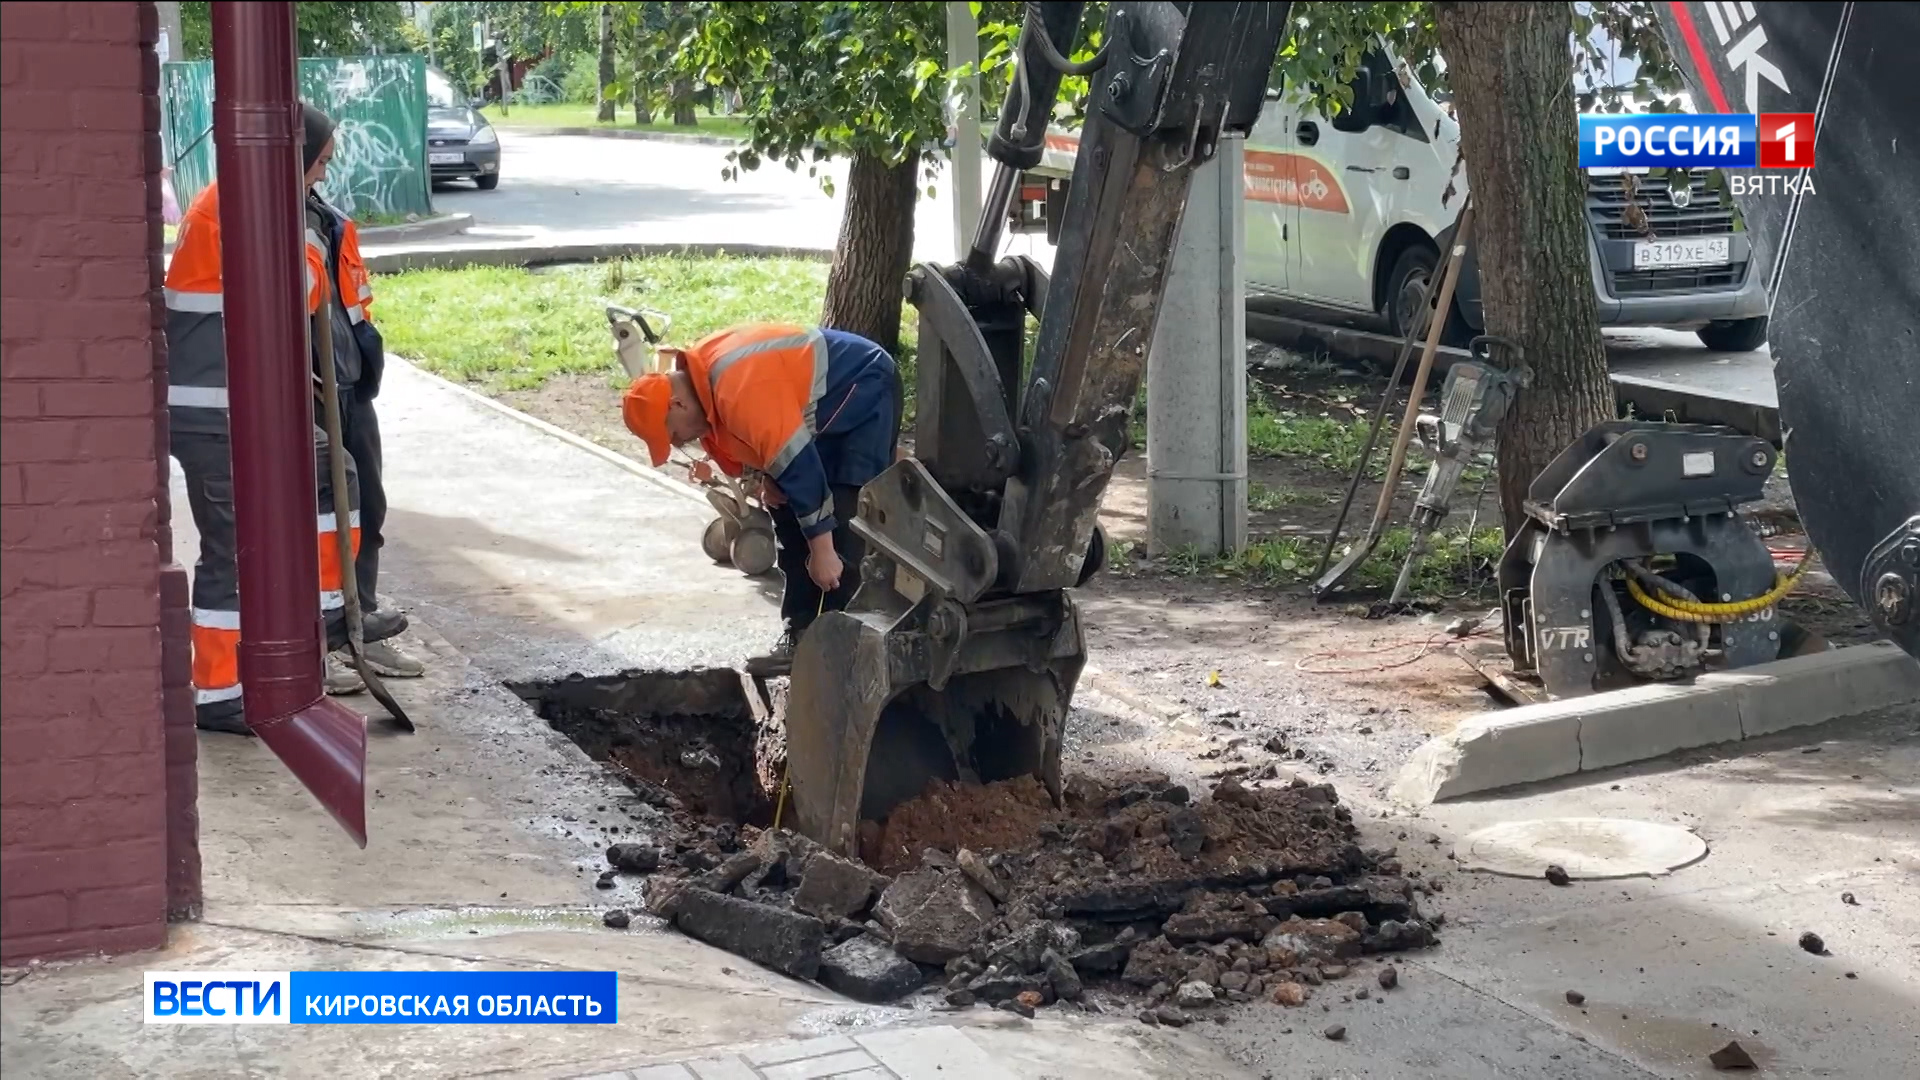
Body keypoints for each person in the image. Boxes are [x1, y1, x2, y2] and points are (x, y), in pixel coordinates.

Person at [165, 103, 406, 733]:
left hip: (231, 405)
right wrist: (308, 244)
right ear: (289, 159)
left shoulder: (239, 202)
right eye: (317, 163)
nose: (322, 176)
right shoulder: (244, 210)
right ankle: (221, 691)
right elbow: (290, 294)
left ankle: (327, 608)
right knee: (232, 553)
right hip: (217, 411)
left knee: (335, 475)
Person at [620, 324, 901, 670]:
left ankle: (842, 651)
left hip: (861, 381)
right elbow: (770, 441)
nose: (679, 443)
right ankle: (799, 633)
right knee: (784, 502)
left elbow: (799, 465)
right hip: (810, 404)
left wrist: (823, 551)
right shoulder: (706, 393)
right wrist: (768, 477)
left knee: (845, 515)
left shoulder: (736, 389)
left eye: (673, 434)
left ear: (677, 404)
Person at [301, 109, 430, 688]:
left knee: (366, 510)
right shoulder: (277, 221)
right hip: (311, 390)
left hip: (349, 384)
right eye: (319, 161)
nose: (324, 174)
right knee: (324, 516)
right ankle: (326, 639)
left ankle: (362, 625)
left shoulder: (324, 219)